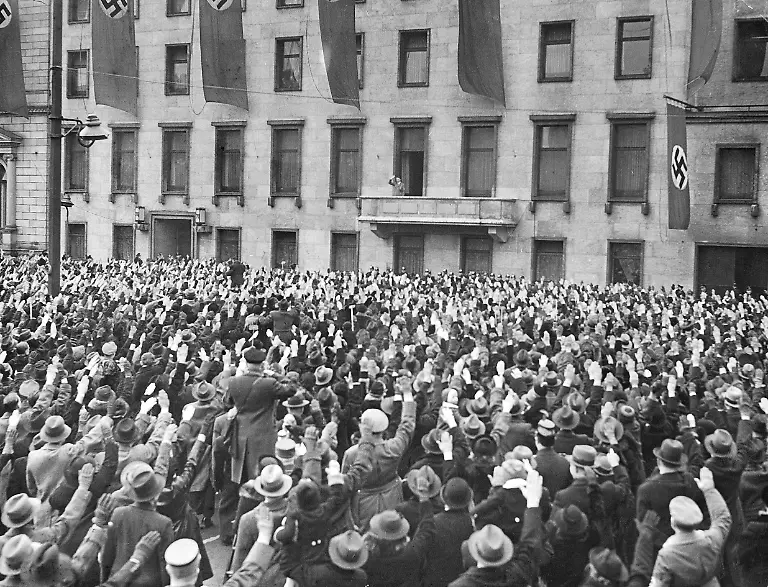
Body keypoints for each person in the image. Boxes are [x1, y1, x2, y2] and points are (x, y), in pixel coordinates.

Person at [648, 467, 731, 587]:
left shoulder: (666, 554)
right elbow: (723, 518)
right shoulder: (711, 539)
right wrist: (709, 489)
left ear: (673, 522)